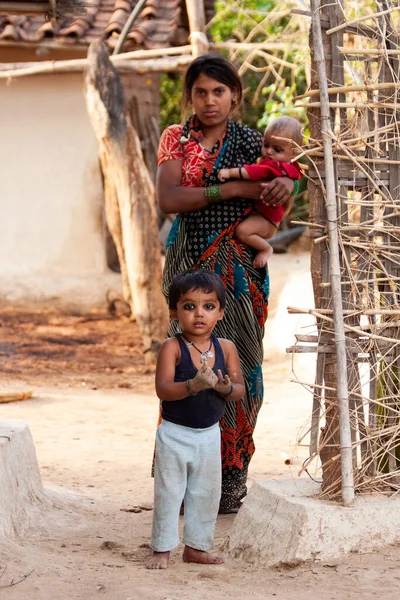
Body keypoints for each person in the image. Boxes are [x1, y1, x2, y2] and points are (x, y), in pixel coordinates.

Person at [157, 53, 298, 513]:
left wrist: (284, 191)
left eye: (219, 91)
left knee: (241, 368)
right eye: (200, 91)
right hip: (190, 267)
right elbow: (169, 198)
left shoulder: (257, 144)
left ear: (235, 95)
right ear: (190, 96)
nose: (210, 100)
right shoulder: (176, 139)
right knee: (187, 362)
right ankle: (180, 477)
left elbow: (279, 197)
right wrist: (234, 190)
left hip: (239, 275)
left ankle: (231, 476)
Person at [147, 270, 245, 570]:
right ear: (174, 312)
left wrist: (222, 387)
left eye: (208, 306)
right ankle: (162, 548)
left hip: (209, 435)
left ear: (221, 312)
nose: (198, 314)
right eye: (189, 306)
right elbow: (162, 389)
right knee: (169, 492)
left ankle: (197, 547)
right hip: (175, 435)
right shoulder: (172, 347)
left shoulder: (226, 348)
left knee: (206, 494)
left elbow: (238, 390)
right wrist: (193, 386)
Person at [218, 116, 303, 268]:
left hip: (267, 221)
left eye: (277, 149)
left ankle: (266, 248)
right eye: (266, 145)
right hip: (265, 216)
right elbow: (296, 175)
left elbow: (252, 172)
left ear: (294, 154)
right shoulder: (290, 166)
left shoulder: (275, 166)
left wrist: (229, 173)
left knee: (242, 231)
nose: (269, 151)